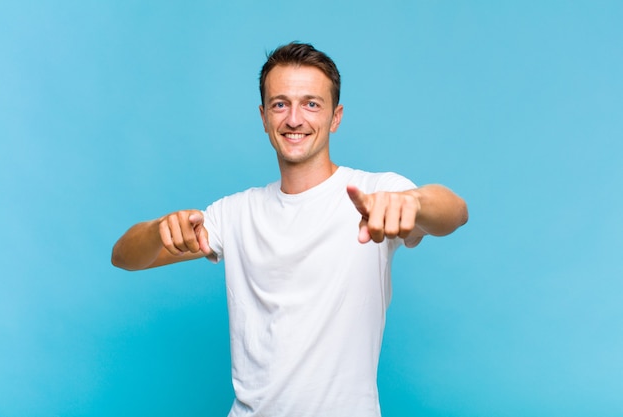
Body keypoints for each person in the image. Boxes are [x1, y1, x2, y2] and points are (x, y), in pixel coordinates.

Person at [112, 42, 468, 417]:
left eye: (312, 104)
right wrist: (158, 230)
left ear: (336, 117)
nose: (294, 119)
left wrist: (415, 203)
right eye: (281, 104)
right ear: (264, 116)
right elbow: (124, 257)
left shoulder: (375, 193)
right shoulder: (234, 213)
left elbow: (454, 213)